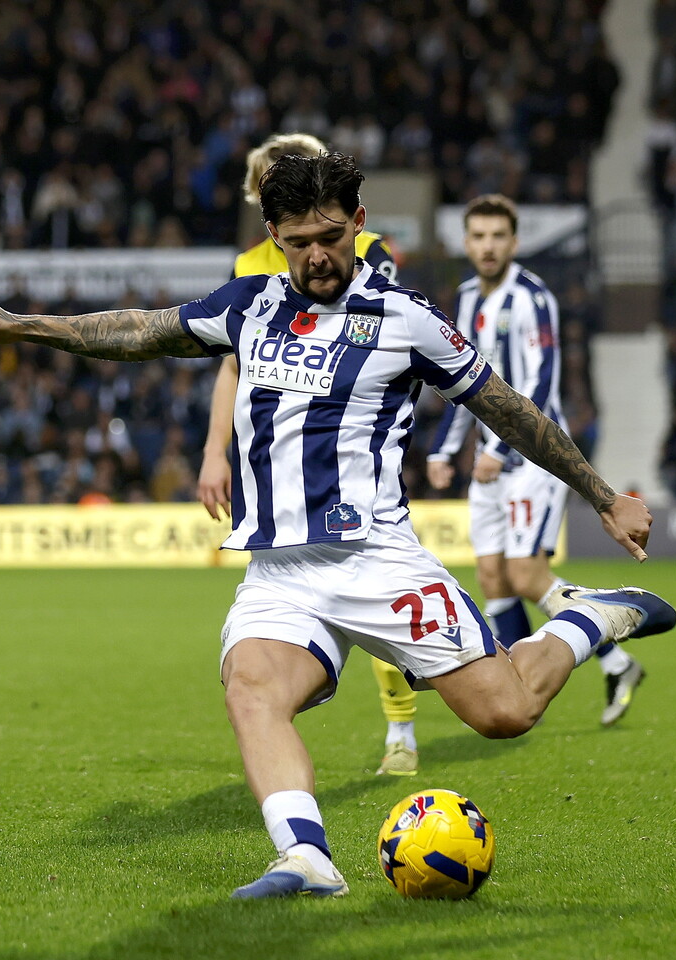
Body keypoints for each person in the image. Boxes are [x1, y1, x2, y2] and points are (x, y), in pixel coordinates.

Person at [0, 154, 676, 901]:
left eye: (332, 235)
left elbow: (509, 409)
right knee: (253, 689)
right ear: (275, 234)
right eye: (299, 240)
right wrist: (21, 328)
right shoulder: (247, 305)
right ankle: (305, 858)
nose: (318, 254)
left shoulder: (405, 318)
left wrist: (601, 496)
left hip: (378, 562)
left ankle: (592, 616)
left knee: (507, 713)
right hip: (281, 574)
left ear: (358, 224)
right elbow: (140, 329)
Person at [197, 133, 421, 777]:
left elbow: (383, 331)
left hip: (352, 439)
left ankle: (400, 728)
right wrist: (217, 450)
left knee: (375, 583)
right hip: (278, 461)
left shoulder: (367, 253)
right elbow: (234, 363)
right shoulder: (248, 268)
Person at [428, 195, 647, 726]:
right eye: (478, 236)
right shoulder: (463, 298)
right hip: (487, 459)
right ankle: (529, 683)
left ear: (514, 242)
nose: (487, 246)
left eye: (497, 236)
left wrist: (501, 449)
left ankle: (610, 648)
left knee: (526, 574)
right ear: (466, 242)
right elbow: (462, 383)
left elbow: (541, 385)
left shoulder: (532, 297)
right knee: (491, 578)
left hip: (531, 461)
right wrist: (443, 448)